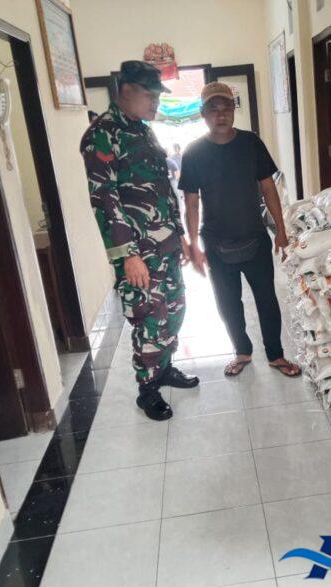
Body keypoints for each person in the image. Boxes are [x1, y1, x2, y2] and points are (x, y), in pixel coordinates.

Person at [80, 60, 199, 421]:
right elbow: (105, 200)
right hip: (139, 253)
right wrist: (128, 255)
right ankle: (147, 389)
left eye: (158, 96)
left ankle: (164, 369)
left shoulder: (143, 131)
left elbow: (162, 189)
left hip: (165, 244)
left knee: (173, 310)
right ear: (127, 90)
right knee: (149, 318)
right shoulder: (103, 134)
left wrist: (179, 235)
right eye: (150, 95)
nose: (156, 103)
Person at [179, 82, 301, 378]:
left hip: (255, 236)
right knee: (228, 303)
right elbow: (191, 203)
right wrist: (194, 244)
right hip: (216, 242)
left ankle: (276, 355)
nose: (221, 114)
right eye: (213, 109)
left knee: (267, 299)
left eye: (226, 107)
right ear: (203, 114)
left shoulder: (251, 143)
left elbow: (269, 188)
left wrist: (281, 231)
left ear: (234, 111)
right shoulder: (194, 152)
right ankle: (242, 352)